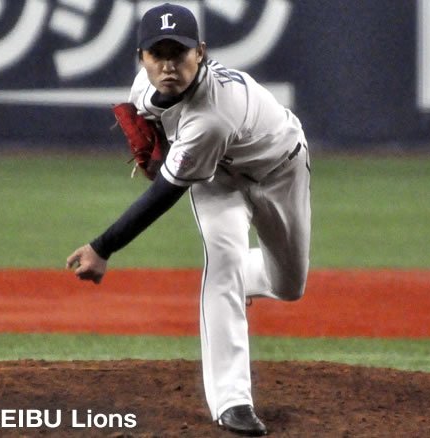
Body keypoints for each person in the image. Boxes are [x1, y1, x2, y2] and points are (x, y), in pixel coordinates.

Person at [66, 3, 311, 436]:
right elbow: (157, 128)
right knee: (223, 264)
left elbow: (165, 191)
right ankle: (232, 401)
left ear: (200, 52)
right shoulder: (143, 88)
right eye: (157, 54)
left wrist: (103, 247)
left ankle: (237, 281)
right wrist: (162, 145)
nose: (168, 65)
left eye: (178, 53)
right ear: (141, 57)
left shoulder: (213, 114)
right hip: (216, 180)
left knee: (289, 285)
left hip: (280, 170)